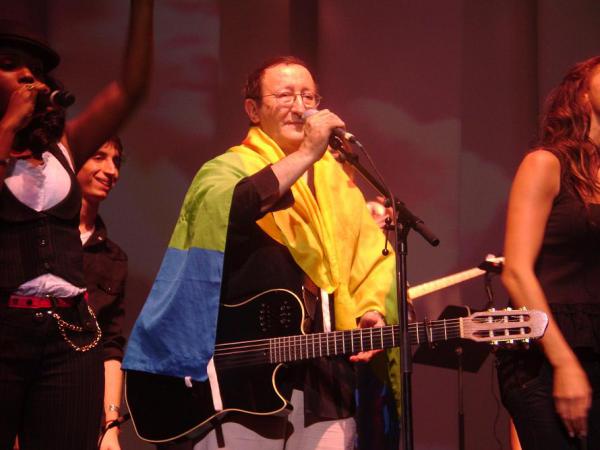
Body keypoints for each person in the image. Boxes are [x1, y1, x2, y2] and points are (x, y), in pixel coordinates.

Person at [124, 56, 398, 450]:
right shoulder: (225, 168)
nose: (300, 106)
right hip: (245, 389)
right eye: (285, 95)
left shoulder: (337, 182)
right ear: (253, 110)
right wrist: (305, 154)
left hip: (325, 382)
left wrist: (370, 310)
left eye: (308, 96)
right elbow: (233, 208)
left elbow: (369, 255)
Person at [0, 2, 153, 449]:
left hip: (68, 333)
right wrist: (8, 124)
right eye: (10, 65)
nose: (28, 77)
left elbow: (132, 87)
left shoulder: (64, 146)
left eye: (35, 71)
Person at [499, 56, 600, 450]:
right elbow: (516, 272)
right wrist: (564, 364)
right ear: (581, 92)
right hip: (547, 356)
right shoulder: (545, 164)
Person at [78, 138, 128, 450]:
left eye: (116, 161)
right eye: (99, 157)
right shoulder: (40, 239)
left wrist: (111, 424)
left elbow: (111, 345)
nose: (111, 170)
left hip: (81, 406)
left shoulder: (113, 259)